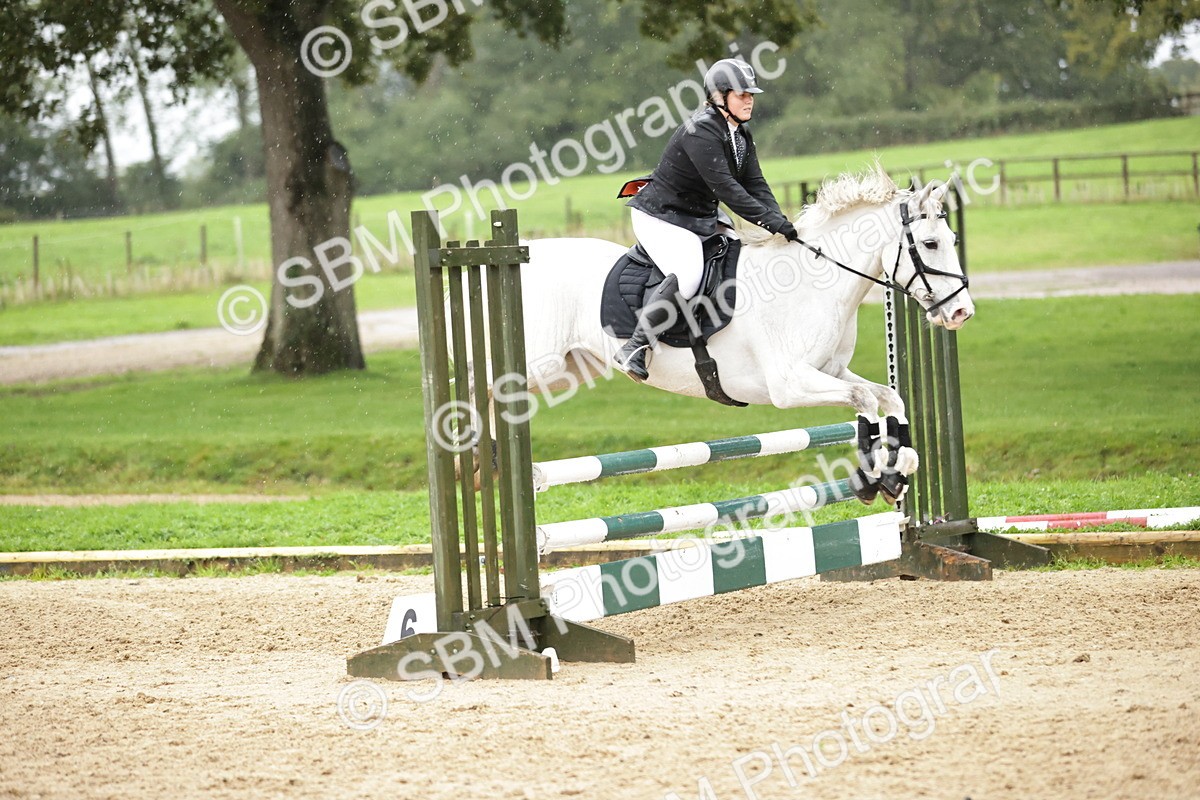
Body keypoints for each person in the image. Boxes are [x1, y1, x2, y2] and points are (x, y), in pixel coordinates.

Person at [614, 58, 799, 381]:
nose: (749, 100)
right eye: (742, 94)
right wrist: (770, 223)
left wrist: (781, 222)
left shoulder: (740, 135)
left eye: (751, 94)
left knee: (740, 255)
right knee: (688, 275)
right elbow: (727, 189)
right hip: (661, 215)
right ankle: (635, 346)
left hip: (697, 216)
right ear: (719, 97)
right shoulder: (700, 131)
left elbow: (755, 184)